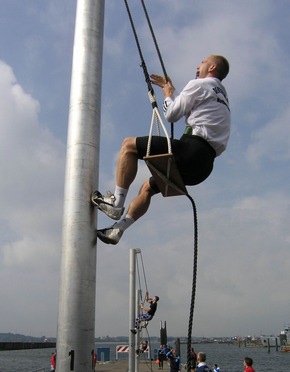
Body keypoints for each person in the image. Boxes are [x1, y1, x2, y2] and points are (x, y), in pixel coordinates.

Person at [92, 55, 231, 245]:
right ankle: (118, 229)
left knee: (128, 146)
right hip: (204, 167)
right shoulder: (222, 95)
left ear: (212, 67)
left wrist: (167, 93)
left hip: (192, 149)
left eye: (202, 62)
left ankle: (116, 202)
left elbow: (171, 114)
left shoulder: (200, 84)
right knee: (147, 188)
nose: (198, 65)